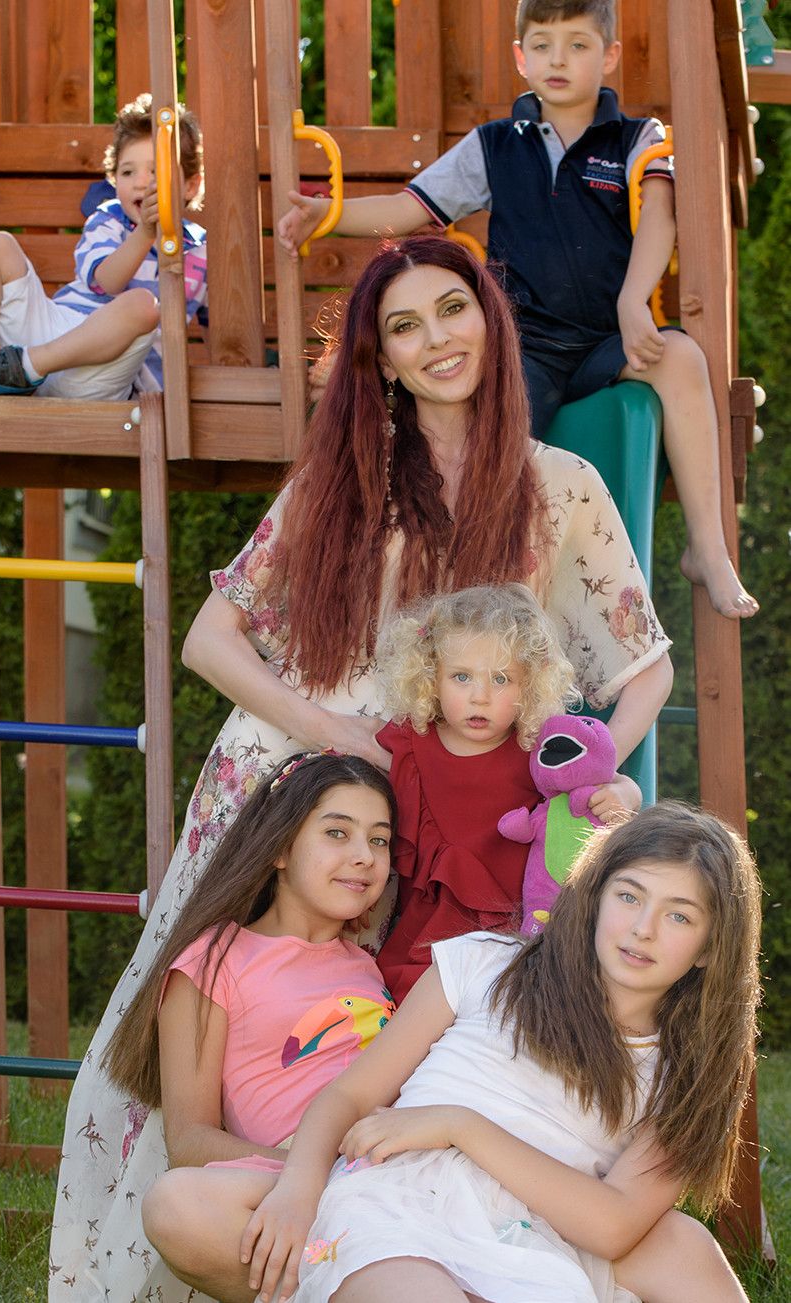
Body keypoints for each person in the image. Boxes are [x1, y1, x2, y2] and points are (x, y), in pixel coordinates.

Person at [48, 234, 673, 1300]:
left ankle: (417, 1245)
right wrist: (333, 730)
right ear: (379, 359)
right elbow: (209, 638)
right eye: (404, 327)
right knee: (234, 1016)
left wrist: (603, 775)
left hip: (458, 807)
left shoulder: (558, 485)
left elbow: (644, 662)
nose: (437, 340)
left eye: (453, 310)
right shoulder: (344, 478)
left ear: (491, 320)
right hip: (305, 780)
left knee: (397, 1032)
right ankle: (203, 1243)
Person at [153, 802, 758, 1303]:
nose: (644, 928)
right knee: (180, 1205)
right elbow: (351, 1095)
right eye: (629, 896)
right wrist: (299, 1187)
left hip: (541, 1225)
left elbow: (613, 1223)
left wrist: (458, 1126)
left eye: (679, 917)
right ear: (595, 895)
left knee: (687, 1253)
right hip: (403, 1201)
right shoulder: (485, 963)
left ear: (711, 947)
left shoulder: (691, 1071)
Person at [277, 0, 757, 621]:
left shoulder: (636, 138)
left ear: (609, 56)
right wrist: (329, 214)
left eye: (578, 44)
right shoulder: (496, 144)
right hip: (526, 344)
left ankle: (708, 549)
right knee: (493, 433)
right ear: (520, 56)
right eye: (543, 44)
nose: (559, 59)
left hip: (605, 338)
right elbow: (412, 207)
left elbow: (660, 217)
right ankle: (463, 577)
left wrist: (634, 299)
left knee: (683, 358)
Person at [79, 752, 396, 1300]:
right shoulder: (213, 961)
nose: (364, 856)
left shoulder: (368, 968)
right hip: (292, 1177)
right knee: (176, 1206)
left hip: (393, 1161)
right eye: (337, 833)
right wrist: (310, 1171)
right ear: (279, 848)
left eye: (379, 840)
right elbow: (189, 1140)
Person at [373, 582, 640, 1001]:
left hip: (524, 928)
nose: (479, 697)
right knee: (410, 1002)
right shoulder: (412, 741)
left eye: (501, 679)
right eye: (461, 677)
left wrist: (627, 795)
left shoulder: (539, 746)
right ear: (431, 678)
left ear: (530, 684)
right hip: (431, 934)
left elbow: (609, 782)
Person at [0, 94, 206, 400]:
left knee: (144, 305)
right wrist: (146, 233)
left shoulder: (201, 252)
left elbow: (222, 329)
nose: (140, 182)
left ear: (190, 186)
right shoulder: (108, 220)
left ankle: (25, 368)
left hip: (103, 373)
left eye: (155, 171)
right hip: (52, 335)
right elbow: (108, 281)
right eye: (127, 172)